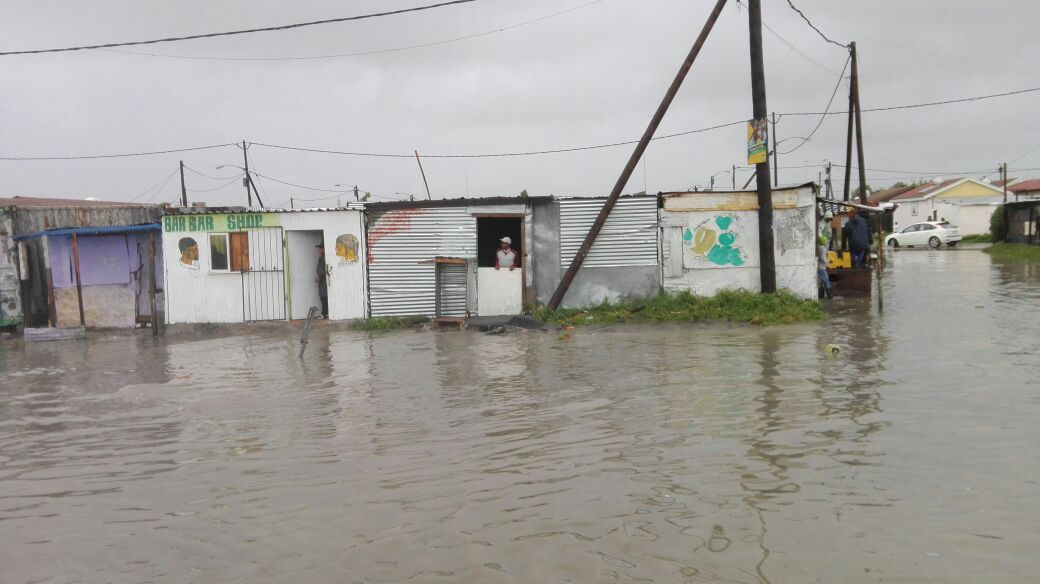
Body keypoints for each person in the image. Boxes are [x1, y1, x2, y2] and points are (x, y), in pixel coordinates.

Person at [314, 242, 328, 318]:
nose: (319, 250)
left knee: (324, 297)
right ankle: (324, 314)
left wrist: (320, 277)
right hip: (322, 281)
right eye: (319, 248)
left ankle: (324, 314)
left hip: (324, 281)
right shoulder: (321, 258)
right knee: (323, 297)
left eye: (321, 248)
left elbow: (324, 270)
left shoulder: (324, 258)